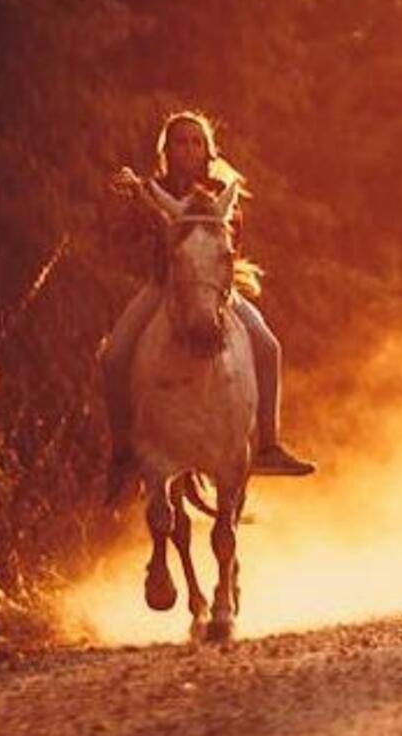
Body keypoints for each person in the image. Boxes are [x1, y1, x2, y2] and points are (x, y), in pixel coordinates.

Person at [104, 112, 317, 500]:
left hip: (215, 291)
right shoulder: (151, 188)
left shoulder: (222, 191)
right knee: (114, 356)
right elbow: (122, 236)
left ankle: (268, 444)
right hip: (164, 287)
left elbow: (227, 238)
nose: (188, 149)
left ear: (207, 150)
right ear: (166, 151)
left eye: (195, 142)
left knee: (268, 347)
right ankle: (124, 454)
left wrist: (169, 213)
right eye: (180, 142)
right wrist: (138, 204)